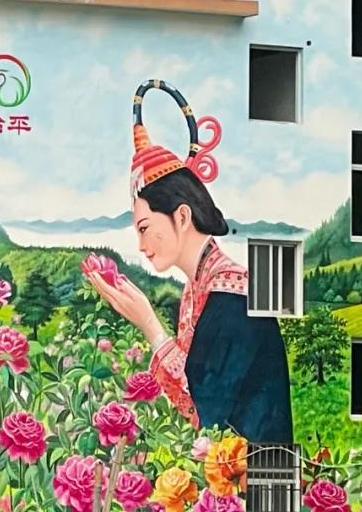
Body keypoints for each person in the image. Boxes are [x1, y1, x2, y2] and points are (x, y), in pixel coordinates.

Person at [86, 80, 293, 444]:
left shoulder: (233, 294)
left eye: (145, 228)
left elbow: (203, 406)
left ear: (181, 217)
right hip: (226, 463)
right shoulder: (198, 287)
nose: (141, 245)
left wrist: (149, 323)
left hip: (258, 468)